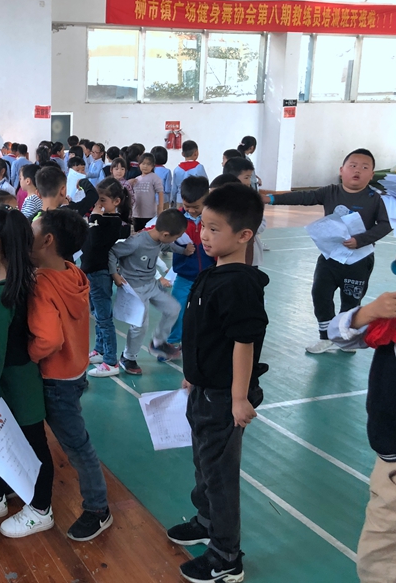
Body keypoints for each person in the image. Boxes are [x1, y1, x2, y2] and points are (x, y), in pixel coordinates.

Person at [166, 183, 269, 583]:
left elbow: (244, 342)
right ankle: (206, 520)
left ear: (244, 235)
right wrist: (193, 374)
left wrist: (239, 398)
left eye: (214, 229)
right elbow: (206, 335)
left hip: (225, 397)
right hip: (204, 390)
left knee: (220, 475)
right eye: (203, 226)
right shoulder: (214, 273)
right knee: (204, 464)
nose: (204, 236)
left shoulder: (239, 284)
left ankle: (226, 555)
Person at [0, 206, 55, 538]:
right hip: (16, 384)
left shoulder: (0, 295)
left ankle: (42, 508)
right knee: (4, 443)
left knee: (34, 447)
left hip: (16, 389)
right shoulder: (19, 283)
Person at [28, 209, 113, 542]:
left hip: (56, 380)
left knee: (79, 447)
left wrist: (28, 355)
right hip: (75, 371)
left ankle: (98, 509)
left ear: (47, 240)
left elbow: (49, 339)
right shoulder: (73, 272)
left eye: (32, 230)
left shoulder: (42, 283)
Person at [263, 149, 392, 353]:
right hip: (330, 257)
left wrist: (360, 240)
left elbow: (385, 225)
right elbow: (304, 197)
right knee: (320, 294)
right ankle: (325, 337)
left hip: (359, 261)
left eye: (364, 167)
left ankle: (346, 337)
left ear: (371, 174)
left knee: (351, 301)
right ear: (342, 170)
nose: (357, 170)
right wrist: (271, 199)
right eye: (352, 166)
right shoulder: (330, 192)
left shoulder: (376, 198)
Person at [328, 251, 396, 583]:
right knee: (382, 553)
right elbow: (338, 334)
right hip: (394, 458)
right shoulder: (393, 314)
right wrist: (369, 311)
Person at [110, 210, 194, 374]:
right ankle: (128, 357)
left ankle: (158, 342)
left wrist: (183, 251)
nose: (176, 240)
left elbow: (167, 245)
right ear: (165, 234)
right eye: (176, 237)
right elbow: (113, 252)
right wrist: (115, 274)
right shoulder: (136, 242)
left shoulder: (159, 239)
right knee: (140, 325)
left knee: (173, 308)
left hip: (151, 284)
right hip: (134, 288)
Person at [83, 178, 132, 378]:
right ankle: (100, 349)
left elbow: (95, 241)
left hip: (100, 273)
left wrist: (95, 216)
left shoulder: (112, 221)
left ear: (116, 202)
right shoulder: (100, 219)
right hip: (90, 272)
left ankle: (111, 361)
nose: (98, 205)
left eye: (102, 200)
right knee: (96, 314)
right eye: (97, 201)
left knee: (104, 319)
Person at [167, 176, 214, 349]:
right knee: (176, 310)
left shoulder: (214, 217)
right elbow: (165, 240)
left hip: (210, 276)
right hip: (184, 276)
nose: (192, 211)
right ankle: (172, 342)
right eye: (188, 206)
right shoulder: (176, 218)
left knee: (208, 311)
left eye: (196, 207)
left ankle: (206, 342)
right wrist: (180, 249)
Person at [224, 159, 267, 267]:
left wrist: (247, 229)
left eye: (250, 177)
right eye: (246, 177)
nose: (249, 182)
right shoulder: (223, 200)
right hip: (228, 252)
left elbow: (261, 224)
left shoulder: (253, 200)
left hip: (250, 254)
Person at [34, 166, 98, 232]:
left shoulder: (33, 220)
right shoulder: (70, 213)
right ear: (63, 190)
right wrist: (82, 181)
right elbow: (93, 195)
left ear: (38, 193)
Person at [130, 153, 164, 232]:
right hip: (136, 213)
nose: (145, 166)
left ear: (153, 166)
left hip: (149, 213)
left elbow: (160, 192)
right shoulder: (136, 179)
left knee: (148, 233)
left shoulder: (154, 177)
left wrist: (160, 208)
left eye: (148, 164)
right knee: (138, 233)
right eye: (143, 163)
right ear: (139, 164)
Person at [172, 140, 208, 206]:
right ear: (196, 153)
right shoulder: (199, 167)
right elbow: (205, 185)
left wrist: (173, 200)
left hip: (180, 199)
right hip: (195, 200)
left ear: (182, 154)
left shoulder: (177, 169)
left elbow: (174, 189)